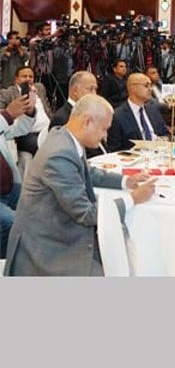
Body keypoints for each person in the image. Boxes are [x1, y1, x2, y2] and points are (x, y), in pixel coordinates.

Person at [3, 95, 156, 276]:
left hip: (59, 230)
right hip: (46, 248)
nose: (105, 136)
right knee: (122, 261)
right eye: (104, 129)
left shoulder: (65, 136)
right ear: (87, 122)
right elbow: (86, 214)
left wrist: (125, 181)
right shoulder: (59, 154)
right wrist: (133, 199)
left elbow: (88, 172)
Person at [0, 93, 36, 258]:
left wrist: (28, 113)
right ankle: (5, 263)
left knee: (39, 209)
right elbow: (4, 121)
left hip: (10, 189)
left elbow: (18, 130)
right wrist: (8, 115)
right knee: (13, 222)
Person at [0, 66, 51, 163]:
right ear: (16, 79)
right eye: (24, 76)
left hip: (46, 128)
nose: (28, 79)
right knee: (42, 146)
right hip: (25, 134)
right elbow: (2, 114)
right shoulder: (7, 93)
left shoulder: (39, 88)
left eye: (31, 76)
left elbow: (48, 109)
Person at [106, 73, 169, 152]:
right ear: (133, 88)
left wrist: (163, 140)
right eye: (146, 85)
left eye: (151, 85)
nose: (150, 89)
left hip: (159, 154)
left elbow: (165, 133)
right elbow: (114, 149)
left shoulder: (153, 110)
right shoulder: (118, 116)